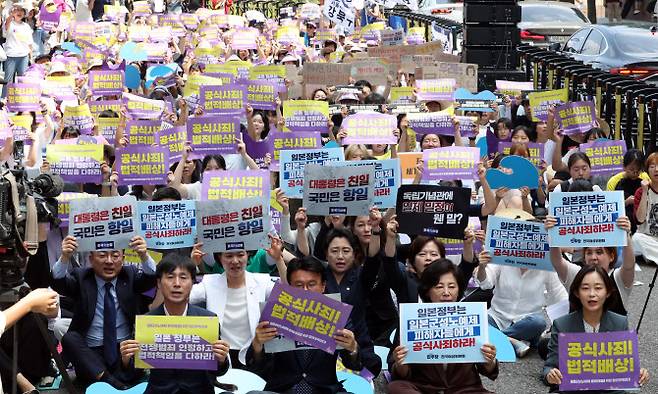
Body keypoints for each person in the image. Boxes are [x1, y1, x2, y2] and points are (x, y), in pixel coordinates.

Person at [246, 256, 376, 393]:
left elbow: (354, 364)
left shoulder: (337, 316)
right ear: (289, 287)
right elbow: (256, 368)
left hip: (324, 390)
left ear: (323, 286)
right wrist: (257, 345)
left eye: (312, 284)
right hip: (282, 390)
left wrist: (352, 348)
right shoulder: (274, 315)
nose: (306, 290)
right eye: (299, 285)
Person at [50, 235, 157, 389]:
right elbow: (59, 283)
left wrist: (143, 255)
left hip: (124, 351)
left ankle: (113, 381)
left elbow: (151, 278)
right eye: (102, 255)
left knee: (131, 354)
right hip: (91, 355)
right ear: (91, 259)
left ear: (123, 258)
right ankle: (111, 382)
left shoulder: (130, 274)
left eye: (115, 255)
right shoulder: (82, 277)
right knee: (70, 338)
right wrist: (65, 257)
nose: (109, 261)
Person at [119, 254, 230, 394]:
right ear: (159, 283)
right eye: (170, 277)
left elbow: (219, 371)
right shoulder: (146, 322)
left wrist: (221, 359)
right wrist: (126, 359)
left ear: (193, 283)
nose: (177, 283)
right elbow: (133, 373)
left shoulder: (208, 319)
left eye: (183, 278)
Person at [388, 260, 498, 394]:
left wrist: (490, 360)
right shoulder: (412, 318)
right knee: (397, 388)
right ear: (428, 291)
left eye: (452, 286)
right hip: (424, 389)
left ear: (459, 290)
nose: (446, 292)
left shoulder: (471, 317)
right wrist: (400, 364)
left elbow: (487, 369)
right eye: (439, 287)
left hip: (464, 389)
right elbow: (401, 374)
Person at [543, 265, 650, 392]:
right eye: (585, 288)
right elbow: (549, 366)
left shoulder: (620, 323)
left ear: (608, 292)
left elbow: (626, 367)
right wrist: (550, 375)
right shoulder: (562, 324)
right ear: (577, 293)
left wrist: (640, 373)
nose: (592, 294)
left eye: (598, 288)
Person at [189, 237, 286, 368]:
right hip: (219, 356)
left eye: (240, 255)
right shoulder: (209, 282)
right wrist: (191, 265)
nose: (235, 261)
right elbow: (182, 297)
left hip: (254, 353)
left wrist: (278, 259)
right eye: (228, 256)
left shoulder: (261, 281)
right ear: (220, 258)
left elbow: (289, 296)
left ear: (248, 256)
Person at [476, 247, 568, 358]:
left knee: (538, 322)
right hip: (497, 317)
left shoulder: (547, 265)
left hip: (527, 323)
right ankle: (514, 342)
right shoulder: (503, 256)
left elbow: (559, 297)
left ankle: (496, 339)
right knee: (478, 320)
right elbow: (485, 283)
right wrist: (482, 267)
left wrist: (567, 329)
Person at [546, 216, 636, 315]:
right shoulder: (576, 274)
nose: (593, 257)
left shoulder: (618, 278)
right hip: (579, 330)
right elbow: (557, 262)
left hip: (612, 330)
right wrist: (552, 233)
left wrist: (626, 234)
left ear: (611, 256)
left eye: (599, 252)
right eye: (589, 253)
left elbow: (629, 265)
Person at [0, 288, 58, 394]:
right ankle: (21, 381)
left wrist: (28, 303)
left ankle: (31, 376)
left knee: (37, 320)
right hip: (5, 359)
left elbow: (53, 312)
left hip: (27, 361)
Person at [2, 2, 33, 97]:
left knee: (23, 80)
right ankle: (4, 100)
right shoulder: (10, 24)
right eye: (17, 10)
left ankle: (21, 101)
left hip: (23, 56)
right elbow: (7, 24)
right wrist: (11, 14)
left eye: (21, 11)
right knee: (8, 80)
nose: (19, 13)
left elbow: (29, 43)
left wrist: (31, 57)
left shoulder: (26, 26)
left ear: (24, 13)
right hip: (11, 55)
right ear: (12, 12)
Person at [632, 152, 658, 263]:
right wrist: (644, 192)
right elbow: (640, 220)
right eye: (652, 166)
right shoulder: (641, 191)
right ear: (647, 170)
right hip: (647, 237)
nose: (656, 169)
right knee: (636, 239)